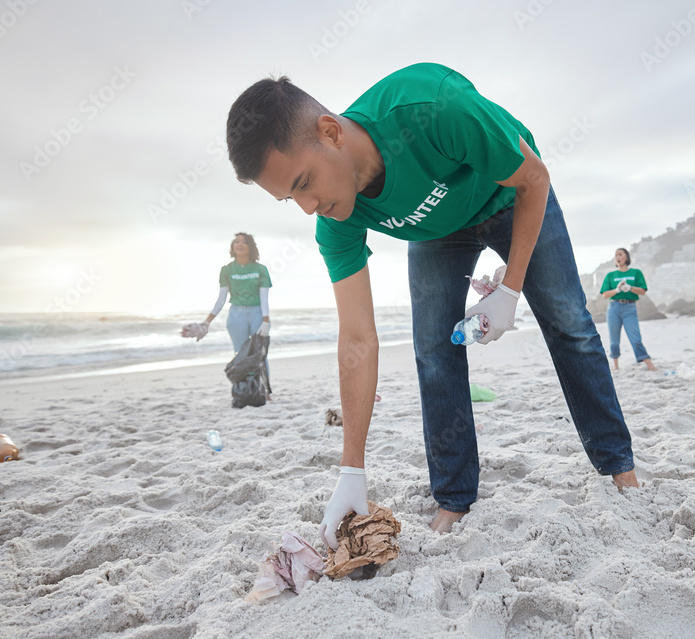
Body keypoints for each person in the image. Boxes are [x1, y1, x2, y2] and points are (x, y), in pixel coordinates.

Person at [225, 63, 638, 549]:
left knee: (569, 324)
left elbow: (534, 179)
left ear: (331, 133)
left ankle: (619, 468)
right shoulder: (336, 218)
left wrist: (510, 292)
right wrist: (351, 469)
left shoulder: (434, 107)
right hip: (438, 232)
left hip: (510, 194)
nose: (309, 206)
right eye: (289, 199)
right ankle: (454, 496)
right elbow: (357, 338)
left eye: (303, 183)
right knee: (433, 351)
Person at [182, 232, 272, 391]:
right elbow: (221, 299)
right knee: (240, 354)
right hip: (236, 315)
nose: (239, 244)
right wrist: (207, 321)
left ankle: (264, 390)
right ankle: (244, 390)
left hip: (257, 313)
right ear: (233, 247)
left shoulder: (261, 269)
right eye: (236, 242)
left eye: (244, 242)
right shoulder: (227, 270)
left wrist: (265, 320)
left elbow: (264, 298)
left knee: (260, 354)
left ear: (250, 246)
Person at [600, 248, 657, 371]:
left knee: (635, 339)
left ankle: (650, 365)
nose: (618, 257)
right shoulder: (611, 275)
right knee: (614, 341)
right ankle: (616, 366)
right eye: (615, 255)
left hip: (630, 308)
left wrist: (629, 287)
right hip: (614, 308)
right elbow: (604, 294)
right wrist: (617, 289)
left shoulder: (636, 273)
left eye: (620, 254)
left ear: (627, 257)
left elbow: (642, 291)